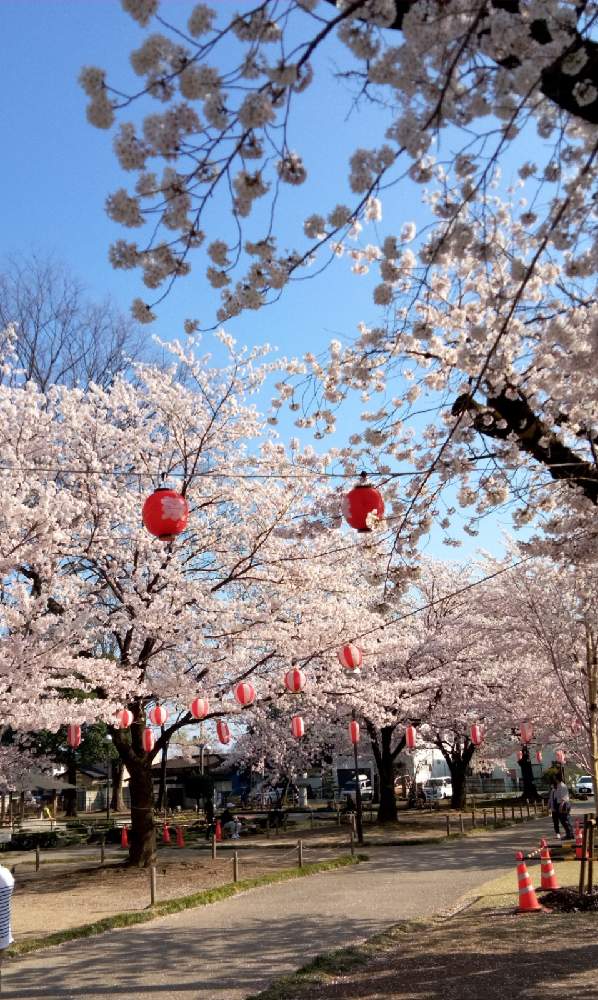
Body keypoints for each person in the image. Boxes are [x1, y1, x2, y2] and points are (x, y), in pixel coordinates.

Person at [554, 775, 573, 839]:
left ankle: (569, 834)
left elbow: (563, 797)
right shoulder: (559, 785)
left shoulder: (562, 786)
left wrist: (561, 806)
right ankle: (570, 834)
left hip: (564, 804)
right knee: (564, 820)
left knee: (565, 820)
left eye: (555, 778)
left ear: (557, 779)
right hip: (561, 804)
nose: (554, 780)